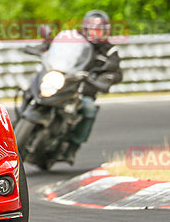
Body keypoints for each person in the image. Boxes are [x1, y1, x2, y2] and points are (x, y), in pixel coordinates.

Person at [24, 10, 123, 164]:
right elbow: (54, 46)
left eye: (99, 30)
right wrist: (43, 47)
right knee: (30, 86)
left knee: (89, 108)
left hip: (83, 89)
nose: (96, 33)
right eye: (93, 29)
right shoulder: (73, 38)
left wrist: (106, 78)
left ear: (106, 31)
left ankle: (72, 147)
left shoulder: (109, 50)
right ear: (85, 29)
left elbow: (116, 72)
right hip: (63, 79)